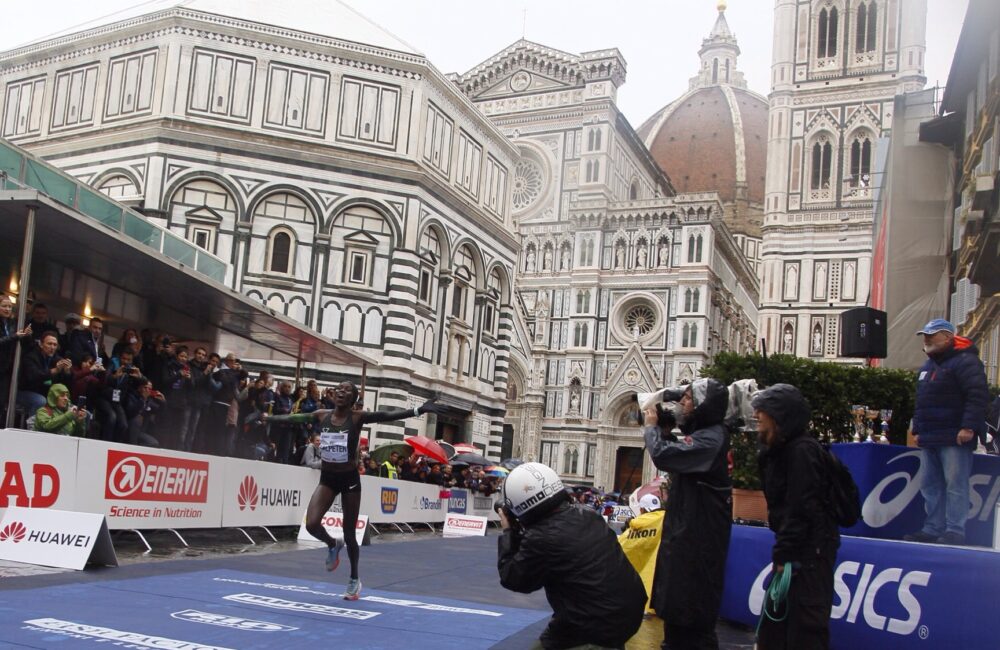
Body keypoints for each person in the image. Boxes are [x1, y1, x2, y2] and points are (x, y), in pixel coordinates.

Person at [265, 381, 442, 600]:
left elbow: (388, 416)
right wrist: (268, 418)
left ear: (353, 398)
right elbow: (295, 418)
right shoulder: (322, 415)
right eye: (339, 388)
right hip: (327, 479)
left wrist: (418, 410)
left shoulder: (358, 417)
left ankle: (354, 579)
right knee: (311, 524)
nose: (341, 392)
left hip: (349, 480)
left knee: (350, 533)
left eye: (347, 391)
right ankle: (332, 543)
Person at [497, 462, 646, 650]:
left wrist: (509, 532)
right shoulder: (589, 515)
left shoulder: (541, 537)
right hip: (627, 613)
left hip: (590, 624)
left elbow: (514, 579)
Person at [642, 378, 731, 650]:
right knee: (677, 627)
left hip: (696, 551)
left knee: (693, 629)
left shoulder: (712, 438)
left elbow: (664, 456)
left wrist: (652, 428)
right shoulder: (706, 435)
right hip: (686, 543)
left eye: (689, 398)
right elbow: (676, 454)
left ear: (704, 406)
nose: (682, 402)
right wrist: (666, 431)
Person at [751, 384, 839, 650]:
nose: (756, 419)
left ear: (777, 417)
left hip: (808, 557)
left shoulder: (802, 452)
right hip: (798, 553)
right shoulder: (782, 451)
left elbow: (801, 508)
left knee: (805, 631)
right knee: (775, 632)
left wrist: (785, 554)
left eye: (761, 414)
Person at [904, 319, 990, 545]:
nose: (927, 340)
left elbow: (977, 396)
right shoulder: (929, 365)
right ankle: (933, 528)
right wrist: (919, 430)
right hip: (931, 435)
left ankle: (955, 530)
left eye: (932, 335)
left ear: (948, 337)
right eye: (925, 335)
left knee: (955, 485)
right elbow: (922, 402)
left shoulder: (966, 362)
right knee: (930, 485)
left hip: (955, 436)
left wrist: (968, 427)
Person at [618, 493, 666, 615]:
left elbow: (619, 550)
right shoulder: (667, 520)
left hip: (636, 598)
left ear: (642, 509)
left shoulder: (634, 527)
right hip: (660, 597)